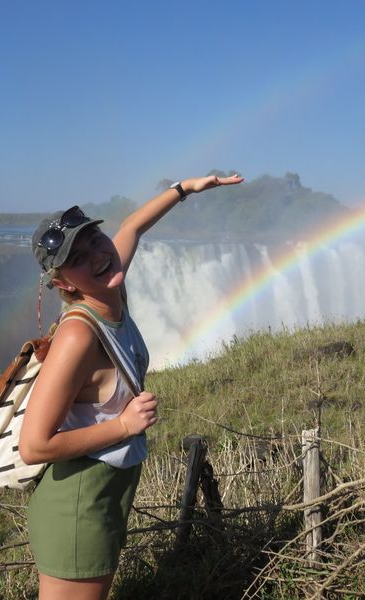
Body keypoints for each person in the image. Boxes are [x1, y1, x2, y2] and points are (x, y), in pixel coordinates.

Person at [19, 173, 243, 600]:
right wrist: (123, 426)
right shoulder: (79, 336)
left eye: (94, 240)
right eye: (78, 258)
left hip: (103, 499)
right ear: (63, 283)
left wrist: (184, 190)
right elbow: (35, 445)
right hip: (77, 509)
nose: (98, 256)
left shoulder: (109, 287)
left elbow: (132, 227)